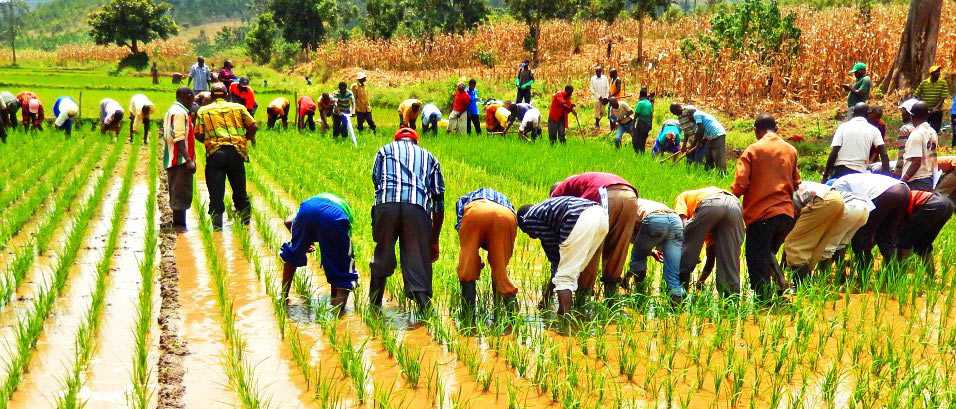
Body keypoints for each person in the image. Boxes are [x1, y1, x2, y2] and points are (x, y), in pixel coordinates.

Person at [370, 128, 445, 313]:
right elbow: (439, 201)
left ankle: (374, 307)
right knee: (417, 258)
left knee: (383, 253)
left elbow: (377, 181)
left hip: (386, 206)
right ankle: (426, 313)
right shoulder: (429, 156)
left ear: (395, 140)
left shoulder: (384, 150)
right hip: (417, 208)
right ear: (416, 142)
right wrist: (433, 239)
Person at [731, 114, 800, 300]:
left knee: (755, 258)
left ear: (756, 130)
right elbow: (797, 182)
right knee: (768, 253)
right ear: (776, 129)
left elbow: (740, 185)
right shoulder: (791, 150)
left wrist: (727, 198)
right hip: (786, 214)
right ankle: (780, 285)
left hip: (762, 215)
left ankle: (765, 301)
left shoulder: (753, 150)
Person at [551, 172, 638, 302]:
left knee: (589, 248)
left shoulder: (558, 192)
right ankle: (611, 302)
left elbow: (555, 219)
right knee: (618, 248)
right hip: (631, 196)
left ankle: (582, 302)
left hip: (604, 195)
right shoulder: (579, 181)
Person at [517, 196, 608, 315]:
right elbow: (558, 264)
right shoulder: (544, 212)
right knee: (574, 270)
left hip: (580, 218)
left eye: (525, 231)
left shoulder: (529, 218)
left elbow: (557, 262)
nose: (529, 235)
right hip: (601, 217)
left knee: (564, 278)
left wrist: (544, 299)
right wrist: (545, 299)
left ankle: (565, 320)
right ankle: (579, 310)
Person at [280, 193, 358, 315]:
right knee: (343, 266)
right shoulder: (344, 212)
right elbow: (339, 256)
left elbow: (288, 221)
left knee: (292, 254)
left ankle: (283, 296)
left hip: (307, 211)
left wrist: (302, 241)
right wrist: (307, 240)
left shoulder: (314, 201)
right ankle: (338, 316)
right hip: (334, 217)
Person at [195, 83, 257, 230]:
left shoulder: (203, 111)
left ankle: (217, 229)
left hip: (215, 154)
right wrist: (245, 138)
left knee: (216, 194)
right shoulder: (238, 108)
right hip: (236, 152)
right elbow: (253, 126)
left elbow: (198, 133)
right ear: (227, 94)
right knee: (240, 191)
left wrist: (209, 141)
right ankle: (246, 227)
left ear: (211, 95)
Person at [456, 188, 519, 322]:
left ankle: (469, 321)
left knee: (467, 270)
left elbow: (462, 232)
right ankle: (512, 322)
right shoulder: (506, 200)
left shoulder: (464, 199)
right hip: (506, 215)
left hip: (476, 212)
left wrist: (473, 263)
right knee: (500, 272)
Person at [830, 173, 910, 270]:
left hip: (883, 193)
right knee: (886, 237)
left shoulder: (836, 187)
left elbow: (848, 214)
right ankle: (894, 276)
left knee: (861, 236)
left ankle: (864, 274)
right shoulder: (850, 178)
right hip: (904, 190)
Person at [675, 187, 744, 296]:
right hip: (734, 204)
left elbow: (682, 225)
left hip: (711, 203)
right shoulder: (712, 228)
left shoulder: (682, 197)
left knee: (684, 254)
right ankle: (730, 305)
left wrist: (691, 250)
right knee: (730, 259)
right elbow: (711, 257)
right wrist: (700, 282)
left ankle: (679, 297)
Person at [783, 181, 847, 285]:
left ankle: (801, 286)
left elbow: (792, 219)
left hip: (822, 200)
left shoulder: (783, 196)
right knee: (816, 243)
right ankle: (807, 282)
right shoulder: (790, 186)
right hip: (837, 199)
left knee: (794, 244)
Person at [625, 199, 686, 301]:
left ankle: (640, 296)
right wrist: (651, 251)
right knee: (672, 273)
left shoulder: (628, 204)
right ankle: (677, 310)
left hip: (655, 219)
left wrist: (628, 275)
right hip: (676, 221)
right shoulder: (645, 203)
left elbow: (635, 241)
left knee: (638, 259)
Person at [822, 103, 889, 181]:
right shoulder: (874, 130)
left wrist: (825, 176)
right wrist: (886, 176)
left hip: (840, 172)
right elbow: (884, 154)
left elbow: (834, 152)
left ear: (853, 113)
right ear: (867, 114)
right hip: (860, 173)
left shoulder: (842, 127)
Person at [163, 88, 197, 231]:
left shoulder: (174, 109)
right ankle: (180, 226)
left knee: (178, 191)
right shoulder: (179, 112)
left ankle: (179, 224)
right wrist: (188, 159)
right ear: (187, 97)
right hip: (180, 160)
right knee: (181, 192)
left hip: (175, 159)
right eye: (192, 98)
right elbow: (179, 137)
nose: (193, 101)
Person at [898, 190, 954, 275]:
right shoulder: (900, 195)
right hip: (947, 205)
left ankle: (898, 275)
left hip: (932, 204)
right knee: (923, 245)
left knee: (904, 243)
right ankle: (931, 277)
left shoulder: (896, 204)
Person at [671, 103, 727, 172]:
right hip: (708, 137)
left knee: (718, 158)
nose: (689, 119)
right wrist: (688, 145)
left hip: (716, 134)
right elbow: (696, 131)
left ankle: (722, 174)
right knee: (708, 158)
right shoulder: (691, 118)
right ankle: (705, 174)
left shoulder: (696, 115)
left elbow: (700, 130)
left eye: (689, 117)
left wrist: (695, 143)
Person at [899, 101, 939, 191]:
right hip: (929, 178)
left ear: (911, 116)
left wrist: (902, 181)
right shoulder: (932, 132)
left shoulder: (916, 134)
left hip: (916, 180)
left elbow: (916, 162)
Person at [913, 65, 949, 133]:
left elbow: (943, 97)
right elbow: (916, 95)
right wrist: (920, 106)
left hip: (937, 111)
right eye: (936, 72)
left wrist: (936, 107)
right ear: (931, 74)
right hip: (925, 111)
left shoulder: (942, 82)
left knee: (935, 130)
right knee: (923, 130)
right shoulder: (924, 83)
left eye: (939, 71)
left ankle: (934, 143)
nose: (938, 73)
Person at [634, 88, 654, 153]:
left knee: (637, 139)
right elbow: (651, 114)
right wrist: (651, 124)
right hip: (648, 123)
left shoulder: (640, 103)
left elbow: (636, 114)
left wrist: (633, 124)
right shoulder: (649, 103)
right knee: (643, 139)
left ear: (640, 95)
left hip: (641, 123)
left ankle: (637, 154)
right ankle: (642, 153)